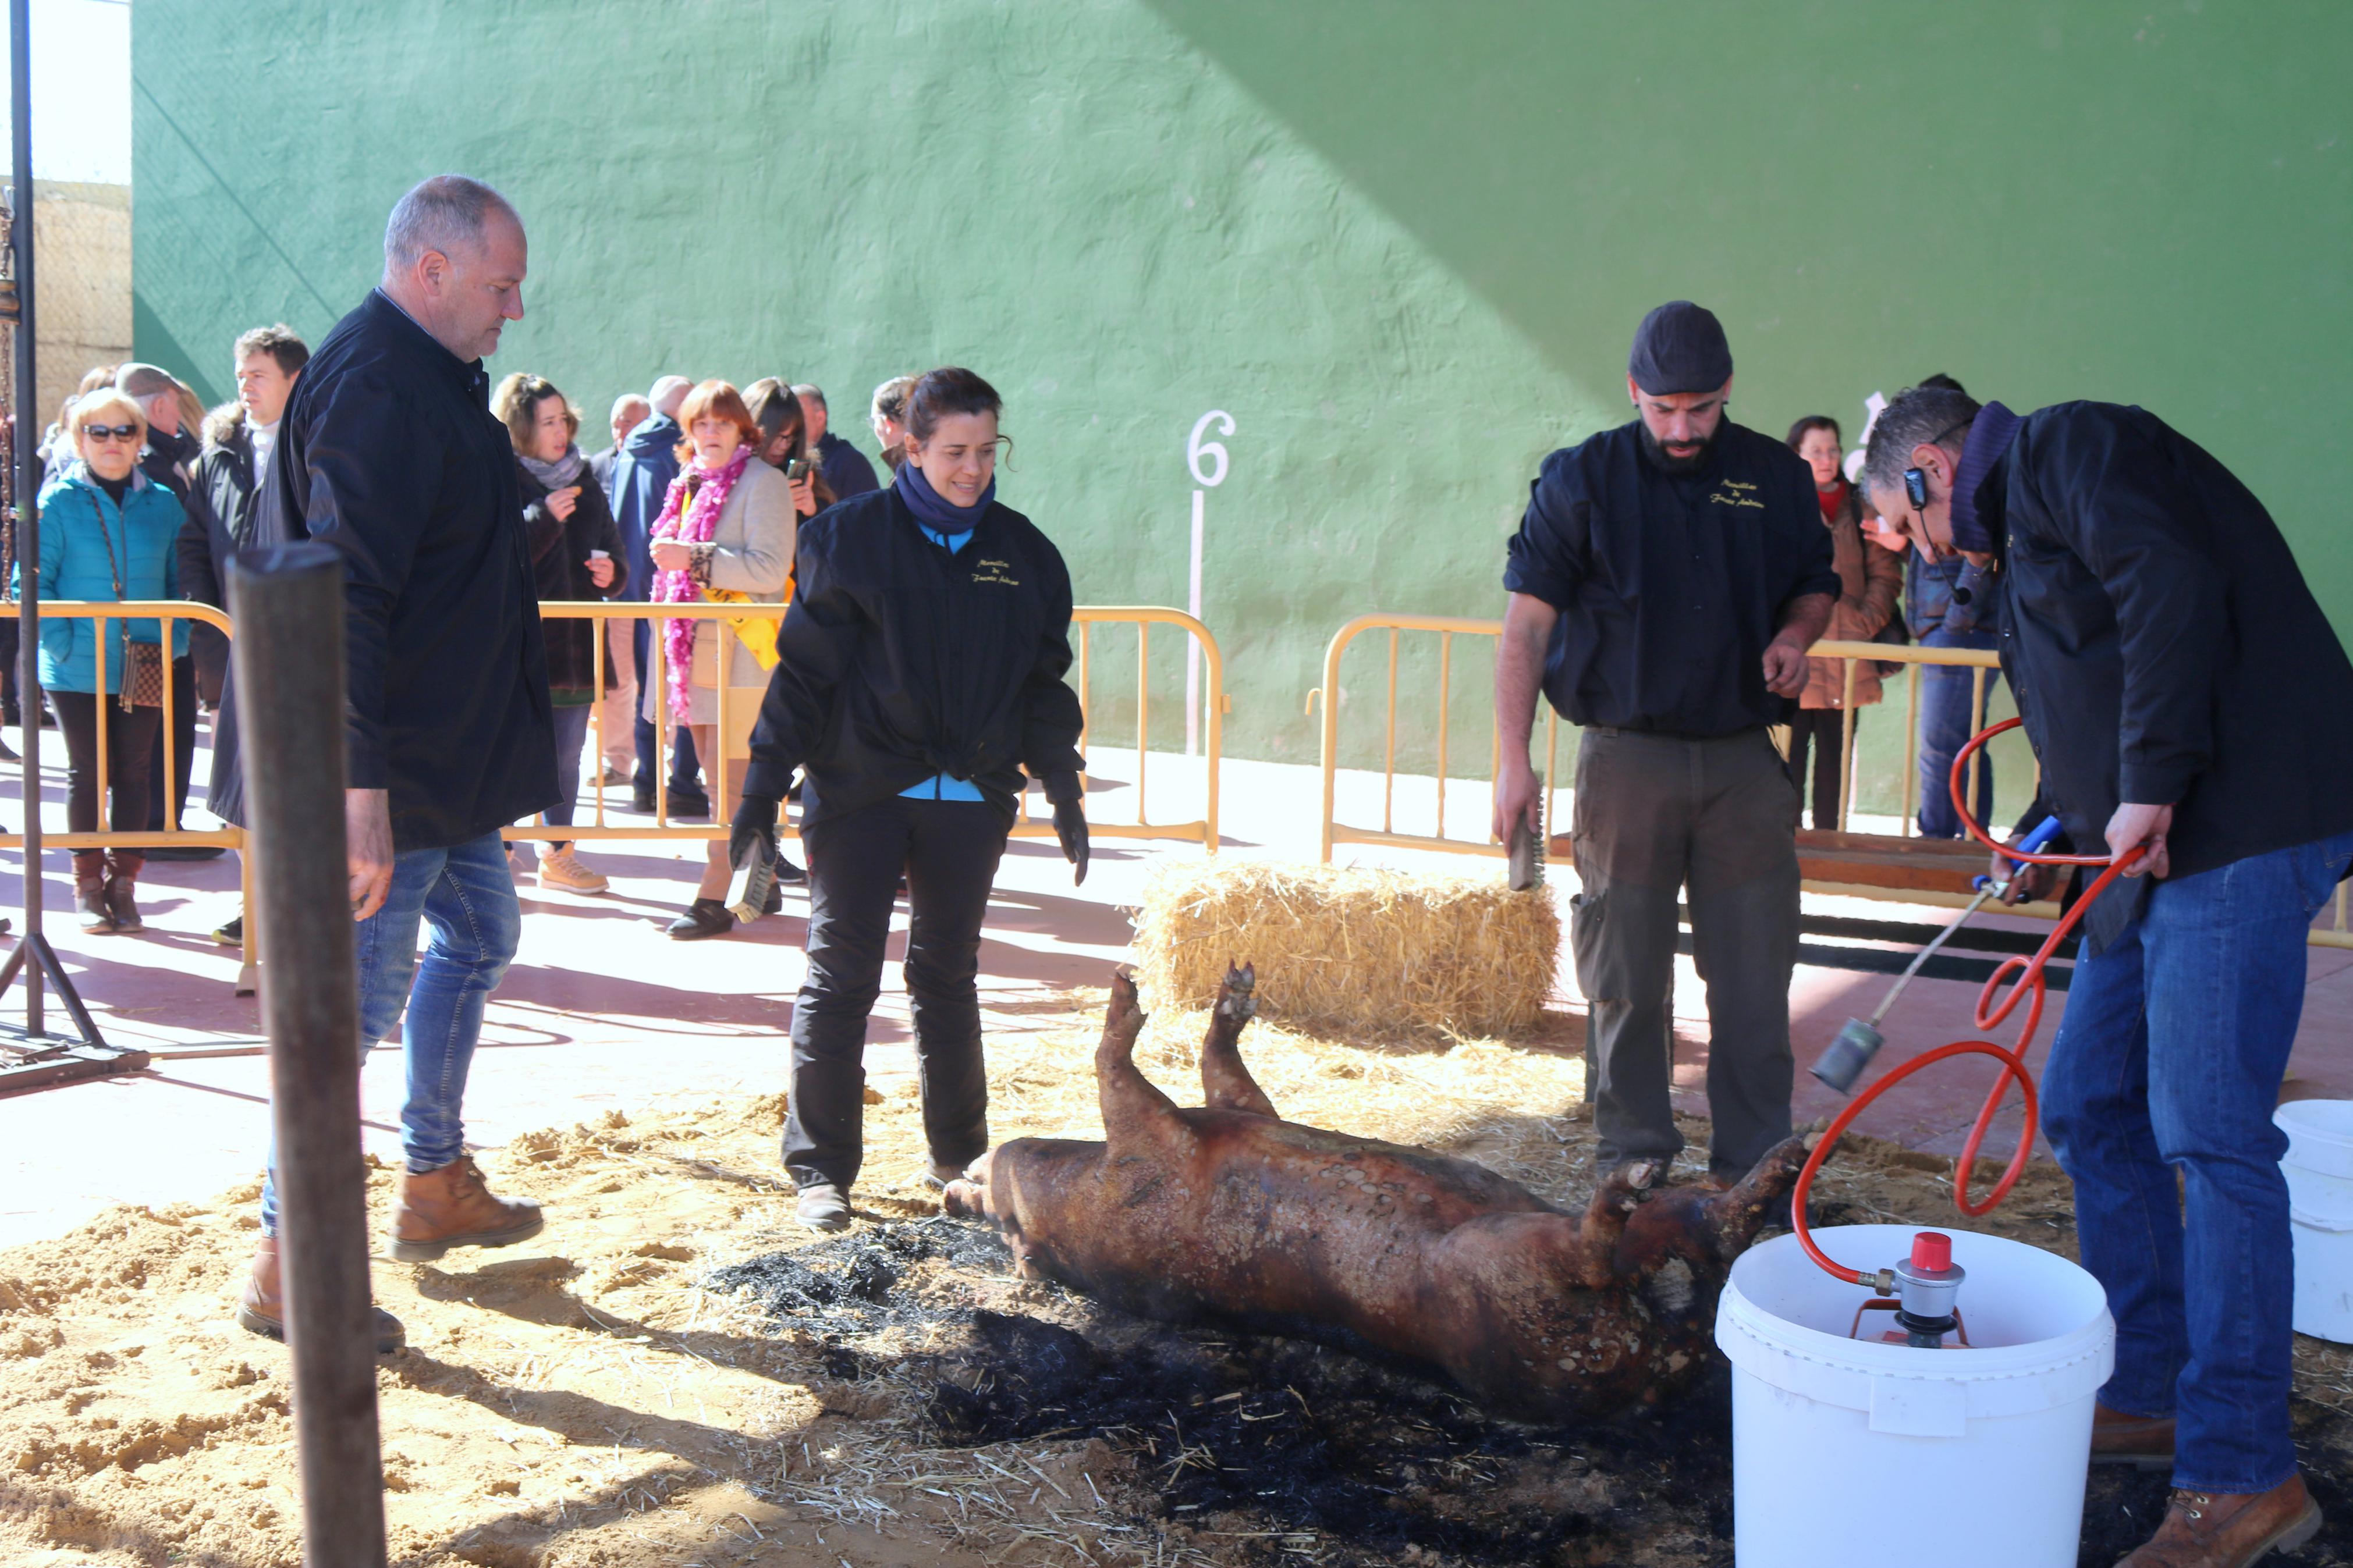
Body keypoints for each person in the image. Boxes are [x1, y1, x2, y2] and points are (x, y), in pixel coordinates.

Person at [1864, 384, 2353, 1567]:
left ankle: (2242, 1476)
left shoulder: (2071, 447)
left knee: (2211, 1138)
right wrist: (2049, 822)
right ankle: (2148, 1386)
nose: (1900, 545)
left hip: (2234, 828)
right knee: (2090, 1103)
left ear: (1928, 467)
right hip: (2155, 840)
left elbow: (2167, 590)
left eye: (1892, 518)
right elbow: (2099, 695)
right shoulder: (2019, 534)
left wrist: (2145, 782)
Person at [237, 173, 558, 1354]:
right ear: (432, 272)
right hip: (382, 772)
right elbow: (341, 602)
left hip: (444, 764)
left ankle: (431, 1179)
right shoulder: (380, 380)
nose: (514, 308)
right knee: (347, 1017)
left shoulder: (428, 373)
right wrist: (356, 795)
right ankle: (291, 1262)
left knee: (482, 934)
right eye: (499, 283)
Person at [728, 367, 1090, 1232]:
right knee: (841, 968)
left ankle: (960, 1158)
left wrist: (1062, 781)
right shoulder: (850, 539)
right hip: (860, 789)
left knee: (945, 970)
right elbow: (805, 675)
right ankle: (820, 1168)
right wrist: (759, 789)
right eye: (953, 451)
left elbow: (1042, 683)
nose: (971, 468)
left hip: (969, 795)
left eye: (985, 449)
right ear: (911, 446)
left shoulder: (1025, 554)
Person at [1492, 302, 1836, 1185]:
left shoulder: (1774, 475)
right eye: (1661, 410)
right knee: (1625, 980)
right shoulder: (1580, 479)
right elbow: (1525, 625)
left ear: (1726, 392)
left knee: (1754, 983)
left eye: (1700, 409)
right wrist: (1511, 758)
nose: (1681, 429)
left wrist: (1795, 638)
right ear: (1632, 392)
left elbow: (1812, 583)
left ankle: (1753, 1170)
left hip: (1740, 761)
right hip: (1623, 760)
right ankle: (1633, 1164)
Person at [28, 387, 189, 934]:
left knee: (136, 772)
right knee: (87, 774)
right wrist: (65, 646)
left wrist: (174, 644)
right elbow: (31, 586)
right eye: (99, 432)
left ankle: (125, 885)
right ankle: (87, 887)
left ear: (141, 439)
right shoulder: (58, 502)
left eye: (124, 431)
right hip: (75, 666)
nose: (112, 442)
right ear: (79, 440)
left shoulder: (164, 502)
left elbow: (177, 583)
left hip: (143, 659)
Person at [644, 379, 798, 937]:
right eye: (699, 424)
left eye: (721, 423)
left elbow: (767, 568)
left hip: (742, 657)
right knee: (719, 781)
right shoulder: (686, 484)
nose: (710, 433)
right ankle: (762, 880)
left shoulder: (765, 482)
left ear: (742, 430)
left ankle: (714, 897)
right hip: (697, 656)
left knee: (730, 785)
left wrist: (696, 557)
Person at [182, 323, 308, 948]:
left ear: (294, 378)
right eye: (240, 376)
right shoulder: (217, 456)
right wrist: (213, 638)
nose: (244, 386)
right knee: (244, 788)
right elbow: (194, 550)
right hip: (234, 650)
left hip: (307, 653)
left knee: (306, 786)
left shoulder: (324, 450)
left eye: (258, 374)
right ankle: (255, 905)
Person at [494, 373, 629, 894]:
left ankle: (558, 852)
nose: (560, 430)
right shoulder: (498, 475)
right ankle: (499, 850)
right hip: (516, 646)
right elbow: (496, 556)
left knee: (566, 756)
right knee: (507, 751)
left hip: (575, 645)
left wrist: (611, 572)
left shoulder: (586, 477)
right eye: (547, 421)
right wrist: (542, 519)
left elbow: (615, 551)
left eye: (563, 420)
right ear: (522, 426)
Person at [1892, 372, 2002, 838]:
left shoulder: (1964, 482)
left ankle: (1936, 840)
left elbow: (1975, 557)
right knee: (1962, 741)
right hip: (1944, 625)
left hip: (1960, 627)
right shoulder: (1922, 484)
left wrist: (1956, 623)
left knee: (1941, 743)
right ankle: (1969, 837)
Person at [116, 364, 215, 859]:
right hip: (153, 626)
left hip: (169, 622)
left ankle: (164, 821)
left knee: (168, 725)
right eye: (177, 401)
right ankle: (157, 825)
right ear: (160, 405)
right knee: (155, 729)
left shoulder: (164, 460)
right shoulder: (152, 467)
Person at [1783, 415, 1900, 830]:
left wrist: (1863, 621)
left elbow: (1885, 574)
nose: (1827, 458)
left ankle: (1829, 842)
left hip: (1848, 658)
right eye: (1815, 450)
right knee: (1787, 760)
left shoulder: (1859, 504)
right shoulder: (1781, 505)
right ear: (1795, 454)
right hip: (1795, 654)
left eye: (1833, 449)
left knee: (1836, 759)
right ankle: (1788, 845)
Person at [610, 374, 708, 815]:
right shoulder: (679, 455)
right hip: (674, 586)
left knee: (649, 692)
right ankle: (682, 782)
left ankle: (647, 781)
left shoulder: (628, 450)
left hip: (634, 589)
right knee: (684, 686)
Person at [790, 382, 879, 499]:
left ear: (820, 418)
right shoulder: (794, 461)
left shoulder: (850, 462)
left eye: (798, 416)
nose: (791, 424)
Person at [588, 392, 649, 499]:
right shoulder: (598, 465)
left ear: (647, 425)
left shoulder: (658, 463)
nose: (620, 434)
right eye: (615, 427)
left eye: (627, 425)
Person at [869, 374, 916, 474]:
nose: (876, 429)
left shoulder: (907, 476)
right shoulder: (939, 455)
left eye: (875, 421)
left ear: (888, 423)